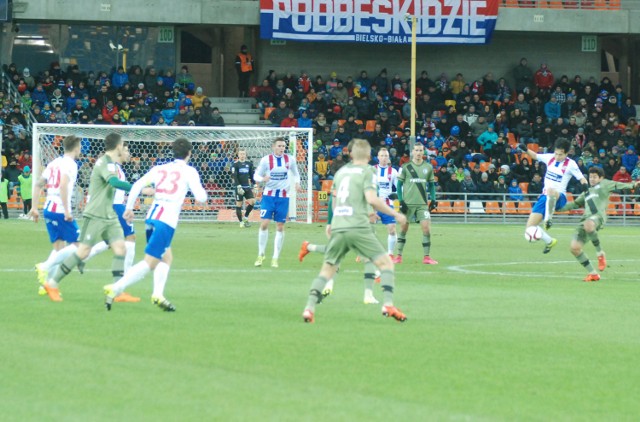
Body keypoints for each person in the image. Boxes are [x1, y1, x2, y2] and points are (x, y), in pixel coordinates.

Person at [301, 139, 408, 323]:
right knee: (386, 264)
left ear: (350, 154)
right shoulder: (369, 171)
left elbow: (334, 200)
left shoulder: (341, 172)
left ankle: (309, 308)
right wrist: (395, 214)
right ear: (369, 156)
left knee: (327, 270)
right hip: (359, 225)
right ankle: (388, 304)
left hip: (340, 224)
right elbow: (372, 199)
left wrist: (331, 222)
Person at [104, 138, 208, 311]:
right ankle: (116, 287)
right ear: (189, 153)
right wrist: (202, 193)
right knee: (150, 262)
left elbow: (137, 185)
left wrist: (129, 208)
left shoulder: (159, 168)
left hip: (152, 216)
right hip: (165, 221)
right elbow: (201, 197)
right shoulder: (190, 172)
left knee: (166, 257)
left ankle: (158, 294)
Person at [39, 134, 134, 302]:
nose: (124, 148)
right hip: (96, 213)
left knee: (120, 248)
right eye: (123, 145)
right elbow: (113, 182)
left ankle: (118, 291)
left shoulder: (110, 163)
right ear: (118, 146)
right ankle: (52, 282)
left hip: (109, 214)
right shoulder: (104, 162)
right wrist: (135, 188)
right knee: (82, 251)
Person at [78, 145, 148, 298]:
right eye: (127, 150)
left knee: (113, 241)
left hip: (114, 206)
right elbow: (114, 184)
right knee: (131, 238)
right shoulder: (113, 167)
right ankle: (124, 280)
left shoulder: (115, 167)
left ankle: (83, 257)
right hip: (115, 206)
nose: (129, 153)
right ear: (119, 152)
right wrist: (139, 189)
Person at [558, 167, 640, 281]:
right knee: (574, 248)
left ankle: (600, 253)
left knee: (589, 224)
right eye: (590, 177)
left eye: (595, 177)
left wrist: (633, 185)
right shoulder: (586, 192)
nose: (592, 179)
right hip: (585, 220)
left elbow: (618, 185)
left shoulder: (605, 184)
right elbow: (575, 204)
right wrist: (557, 208)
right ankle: (593, 273)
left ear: (601, 178)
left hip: (598, 217)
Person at [30, 136, 82, 296]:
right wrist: (67, 211)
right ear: (75, 147)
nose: (80, 150)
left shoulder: (53, 163)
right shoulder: (71, 164)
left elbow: (39, 183)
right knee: (79, 247)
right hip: (60, 209)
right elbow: (63, 185)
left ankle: (47, 286)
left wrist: (34, 207)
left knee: (59, 249)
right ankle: (44, 266)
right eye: (80, 147)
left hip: (48, 208)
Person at [517, 138, 588, 253]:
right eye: (556, 153)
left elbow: (582, 178)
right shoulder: (550, 157)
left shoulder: (571, 164)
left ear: (566, 153)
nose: (557, 156)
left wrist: (586, 189)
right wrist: (526, 149)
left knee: (551, 190)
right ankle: (550, 241)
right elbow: (535, 156)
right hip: (544, 198)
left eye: (560, 155)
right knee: (529, 229)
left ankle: (548, 219)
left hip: (559, 197)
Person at [253, 137, 300, 268]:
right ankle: (261, 254)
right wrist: (263, 178)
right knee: (264, 224)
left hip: (283, 197)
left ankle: (275, 258)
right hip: (268, 196)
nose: (281, 148)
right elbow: (255, 176)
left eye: (283, 146)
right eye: (279, 146)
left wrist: (297, 183)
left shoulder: (290, 160)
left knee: (280, 226)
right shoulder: (266, 160)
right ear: (273, 147)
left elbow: (296, 174)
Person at [394, 143, 438, 264]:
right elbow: (399, 185)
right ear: (412, 152)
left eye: (421, 150)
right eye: (416, 150)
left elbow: (432, 185)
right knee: (403, 229)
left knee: (426, 229)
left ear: (423, 152)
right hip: (407, 204)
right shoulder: (406, 166)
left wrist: (433, 199)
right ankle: (398, 256)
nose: (418, 153)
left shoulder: (428, 167)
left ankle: (426, 257)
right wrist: (401, 201)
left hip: (422, 204)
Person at [374, 147, 399, 257]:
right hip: (374, 204)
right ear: (378, 157)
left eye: (386, 156)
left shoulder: (393, 172)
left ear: (388, 158)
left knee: (392, 229)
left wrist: (397, 204)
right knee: (368, 229)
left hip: (388, 205)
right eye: (382, 156)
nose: (384, 158)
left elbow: (399, 189)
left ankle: (390, 253)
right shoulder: (371, 170)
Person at [232, 149, 256, 227]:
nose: (242, 155)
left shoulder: (249, 164)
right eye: (241, 154)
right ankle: (241, 222)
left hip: (247, 187)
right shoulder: (235, 164)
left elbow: (252, 175)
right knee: (239, 204)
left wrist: (254, 184)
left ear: (245, 155)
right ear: (238, 155)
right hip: (239, 187)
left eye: (243, 154)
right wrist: (238, 186)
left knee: (252, 202)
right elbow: (234, 176)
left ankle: (245, 217)